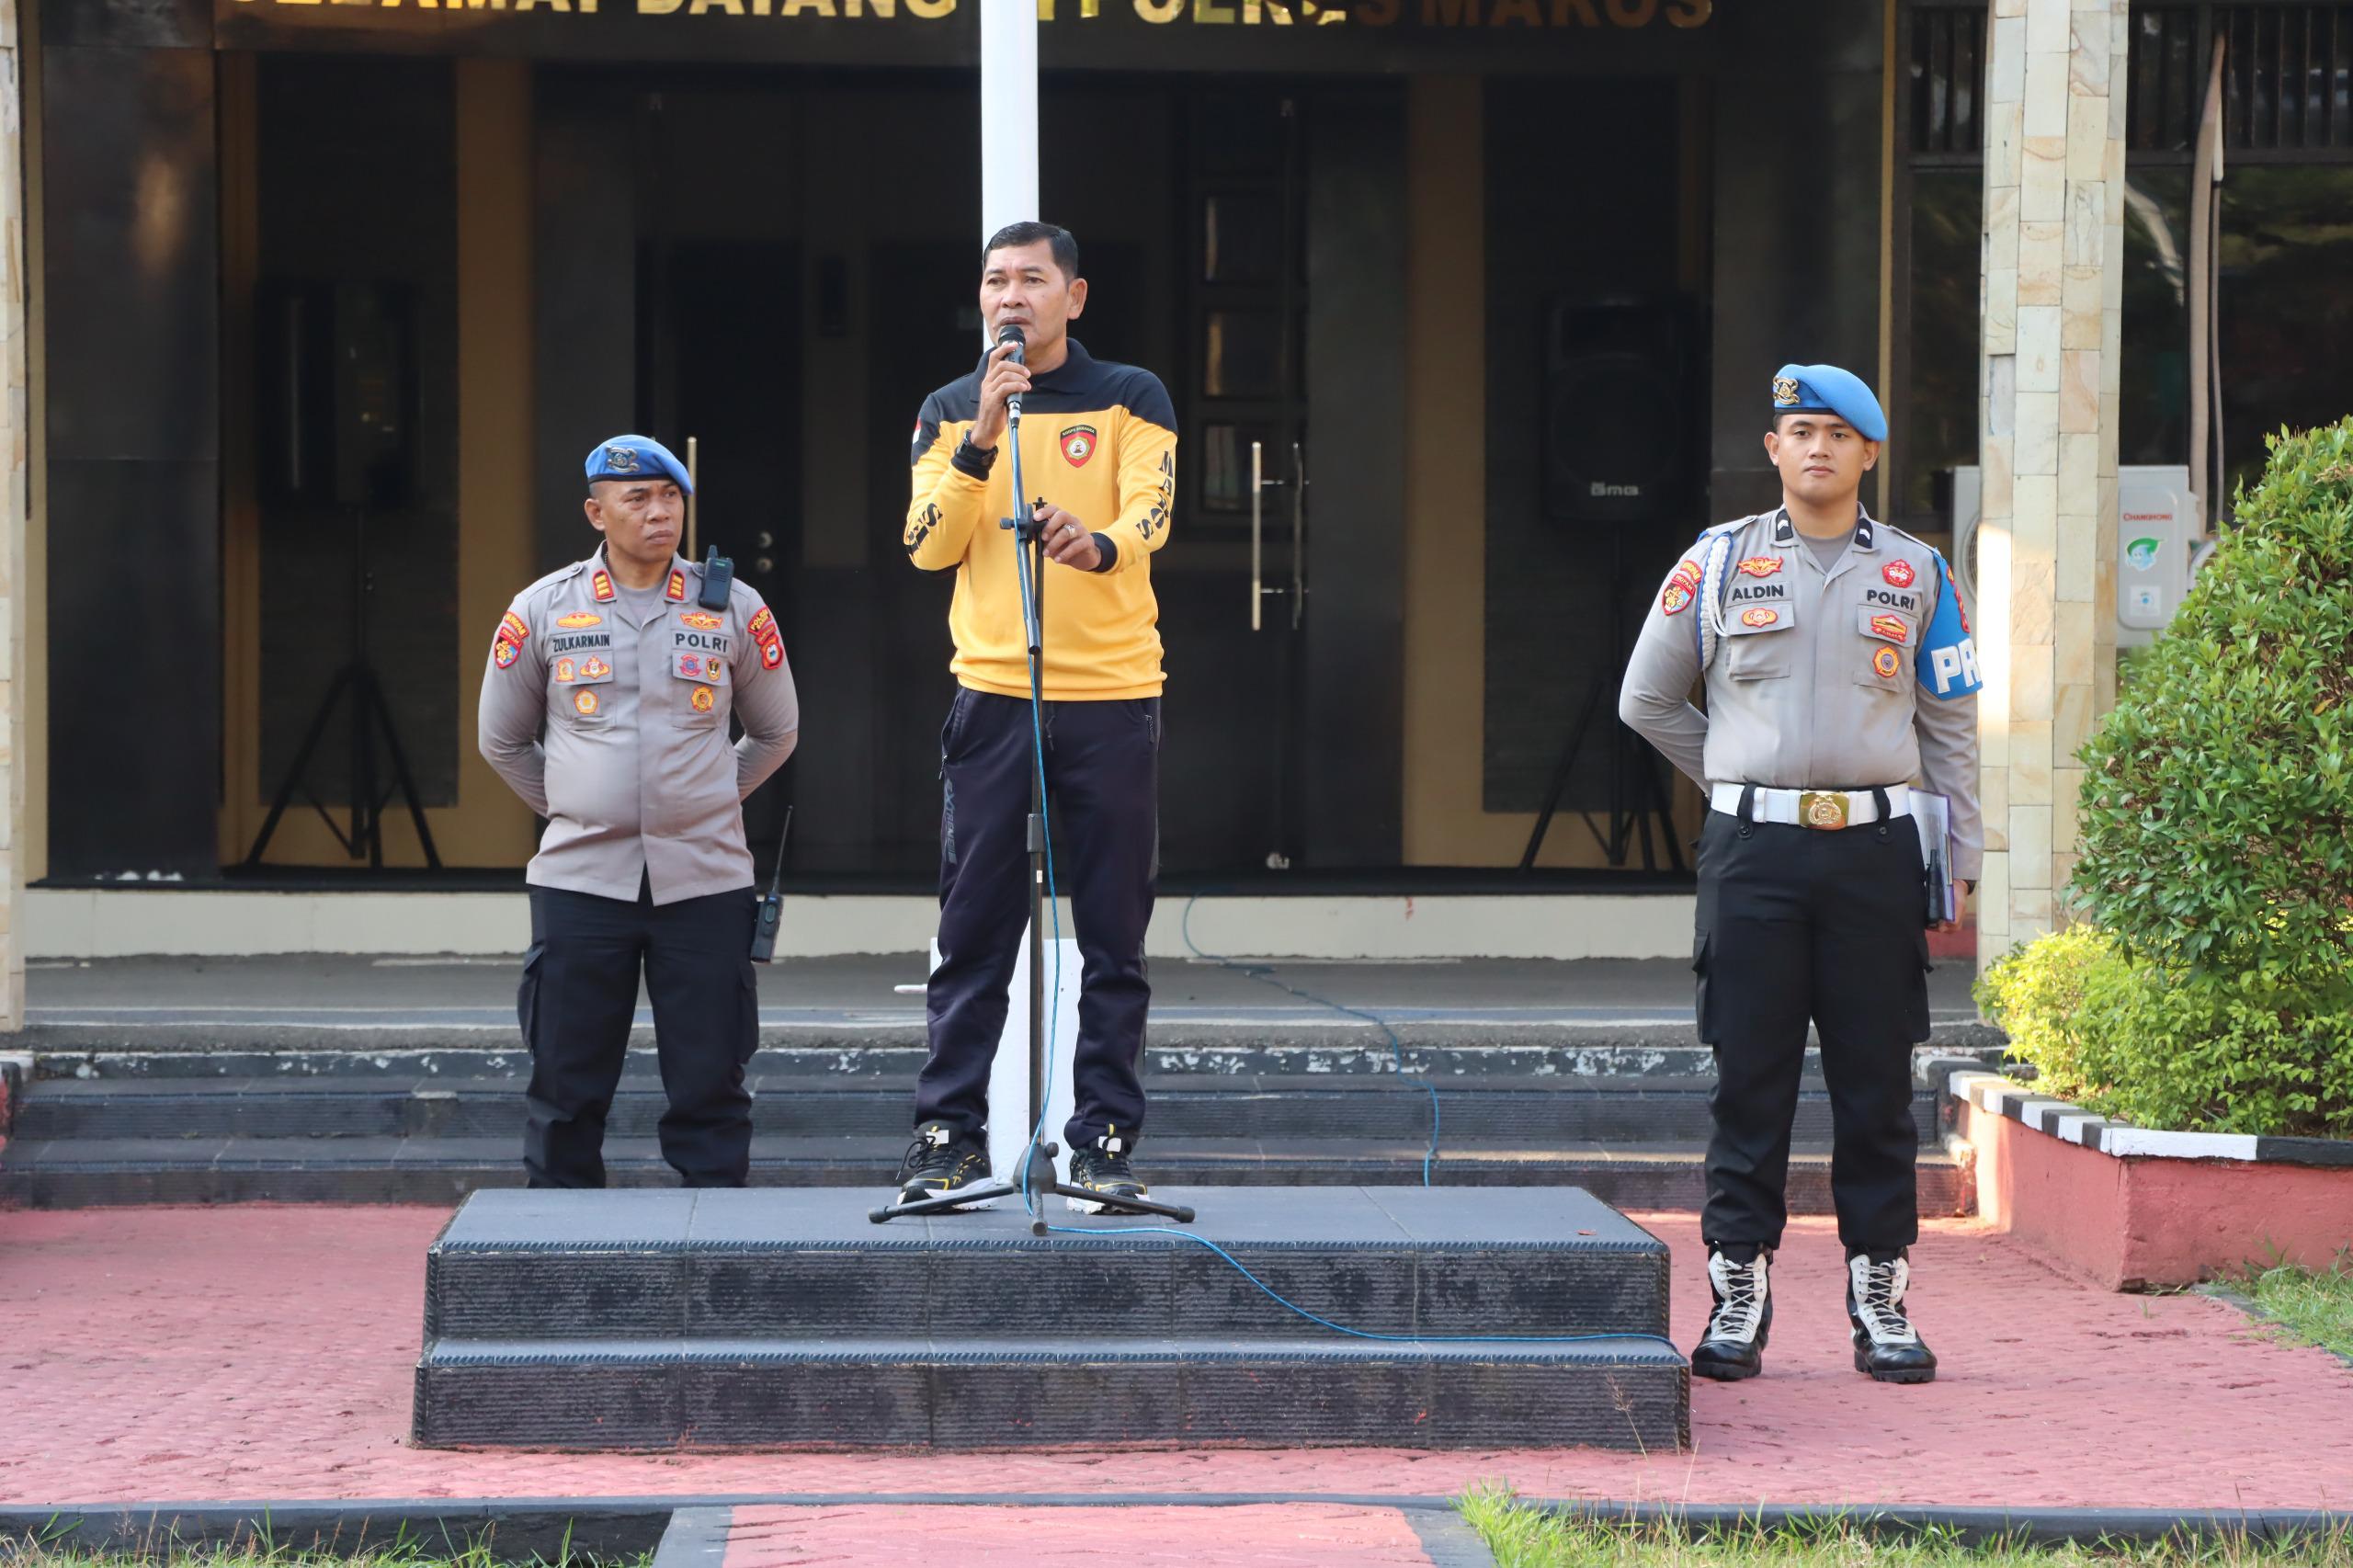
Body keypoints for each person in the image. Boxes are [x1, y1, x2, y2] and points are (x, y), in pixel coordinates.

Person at [1619, 365, 1981, 1385]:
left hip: (1873, 853)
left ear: (1869, 454)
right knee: (1750, 1081)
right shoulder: (1719, 562)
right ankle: (1738, 1291)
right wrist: (1737, 779)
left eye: (1838, 433)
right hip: (1755, 858)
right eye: (1800, 430)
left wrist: (1960, 855)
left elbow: (1950, 724)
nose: (1818, 447)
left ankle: (1882, 1297)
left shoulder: (1918, 572)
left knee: (1877, 1086)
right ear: (1773, 448)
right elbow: (1647, 699)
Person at [895, 222, 1178, 1213]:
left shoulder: (1131, 395)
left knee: (1113, 934)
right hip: (994, 698)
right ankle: (947, 1139)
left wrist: (1095, 543)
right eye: (993, 281)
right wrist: (979, 440)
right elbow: (926, 544)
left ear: (1074, 295)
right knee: (973, 930)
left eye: (1030, 279)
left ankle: (1102, 1142)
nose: (1009, 297)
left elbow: (1151, 513)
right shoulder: (949, 410)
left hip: (1111, 697)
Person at [479, 434, 801, 1188]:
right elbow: (502, 741)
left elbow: (776, 732)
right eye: (638, 499)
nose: (660, 513)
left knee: (711, 1082)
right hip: (581, 881)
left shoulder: (734, 606)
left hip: (705, 879)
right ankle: (558, 1240)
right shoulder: (543, 608)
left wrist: (704, 799)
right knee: (565, 1080)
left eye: (670, 498)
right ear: (597, 513)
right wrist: (578, 808)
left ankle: (716, 1236)